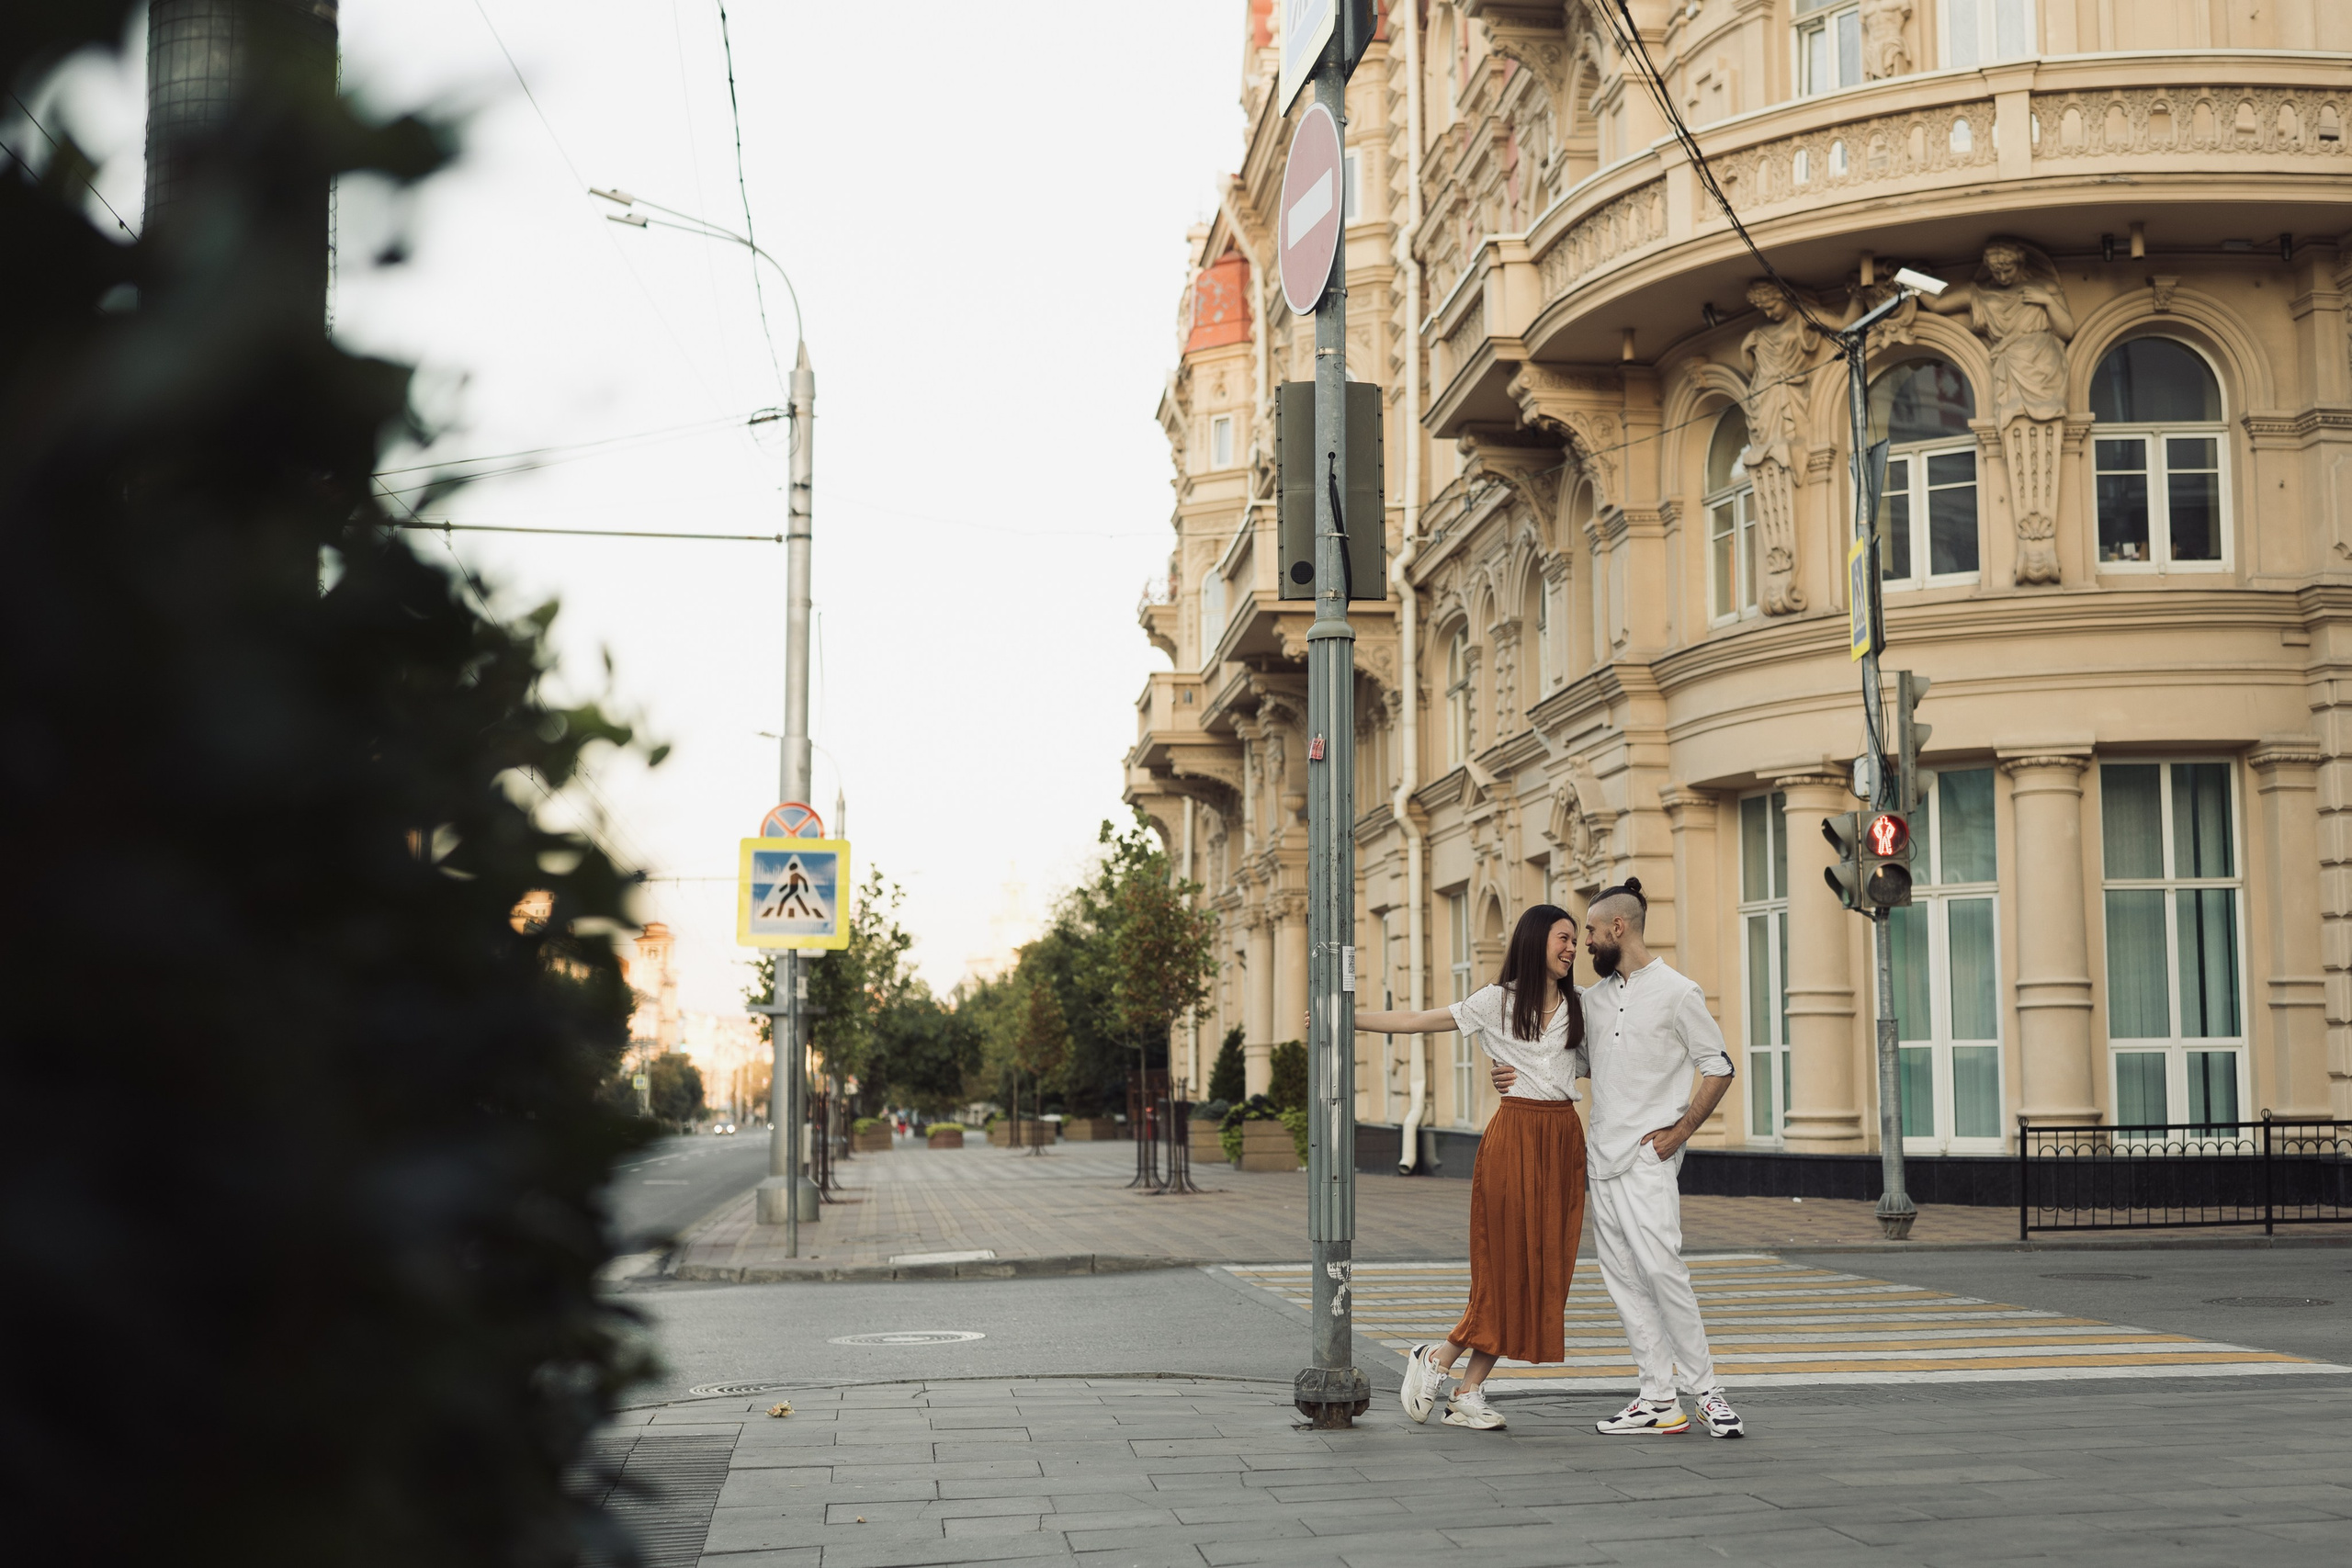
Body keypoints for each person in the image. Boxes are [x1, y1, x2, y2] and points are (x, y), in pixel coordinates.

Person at [1490, 878, 1746, 1438]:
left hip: (1648, 1160)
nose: (1583, 942)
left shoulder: (1679, 992)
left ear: (1618, 928)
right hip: (1598, 1162)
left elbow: (1720, 1066)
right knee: (1625, 1282)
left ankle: (1707, 1392)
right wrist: (1507, 1070)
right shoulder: (1594, 1001)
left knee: (1663, 1271)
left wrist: (1678, 1133)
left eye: (1589, 930)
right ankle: (1658, 1398)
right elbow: (1564, 1063)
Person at [1351, 905, 1586, 1431]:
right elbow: (1417, 1022)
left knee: (1539, 1271)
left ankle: (1463, 1386)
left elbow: (1595, 1063)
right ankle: (1440, 1361)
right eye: (1563, 938)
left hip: (1563, 1140)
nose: (1572, 949)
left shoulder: (1580, 1006)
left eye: (1575, 940)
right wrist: (1346, 1018)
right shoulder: (1494, 1002)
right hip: (1515, 1139)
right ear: (1535, 941)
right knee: (1503, 1267)